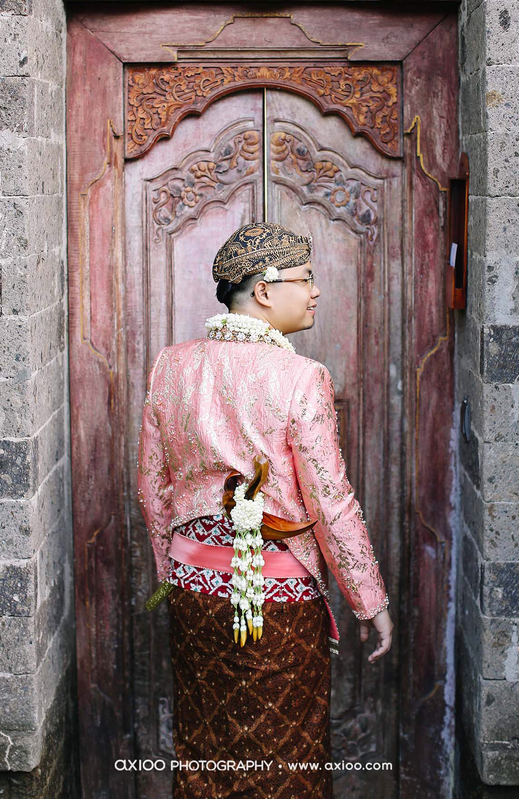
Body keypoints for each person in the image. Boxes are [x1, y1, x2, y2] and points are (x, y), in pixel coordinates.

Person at [137, 221, 394, 799]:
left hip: (194, 595)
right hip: (277, 605)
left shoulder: (169, 366)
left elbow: (152, 490)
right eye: (305, 279)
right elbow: (330, 500)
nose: (316, 291)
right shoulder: (303, 377)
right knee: (285, 753)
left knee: (205, 744)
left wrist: (173, 576)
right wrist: (369, 599)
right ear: (263, 291)